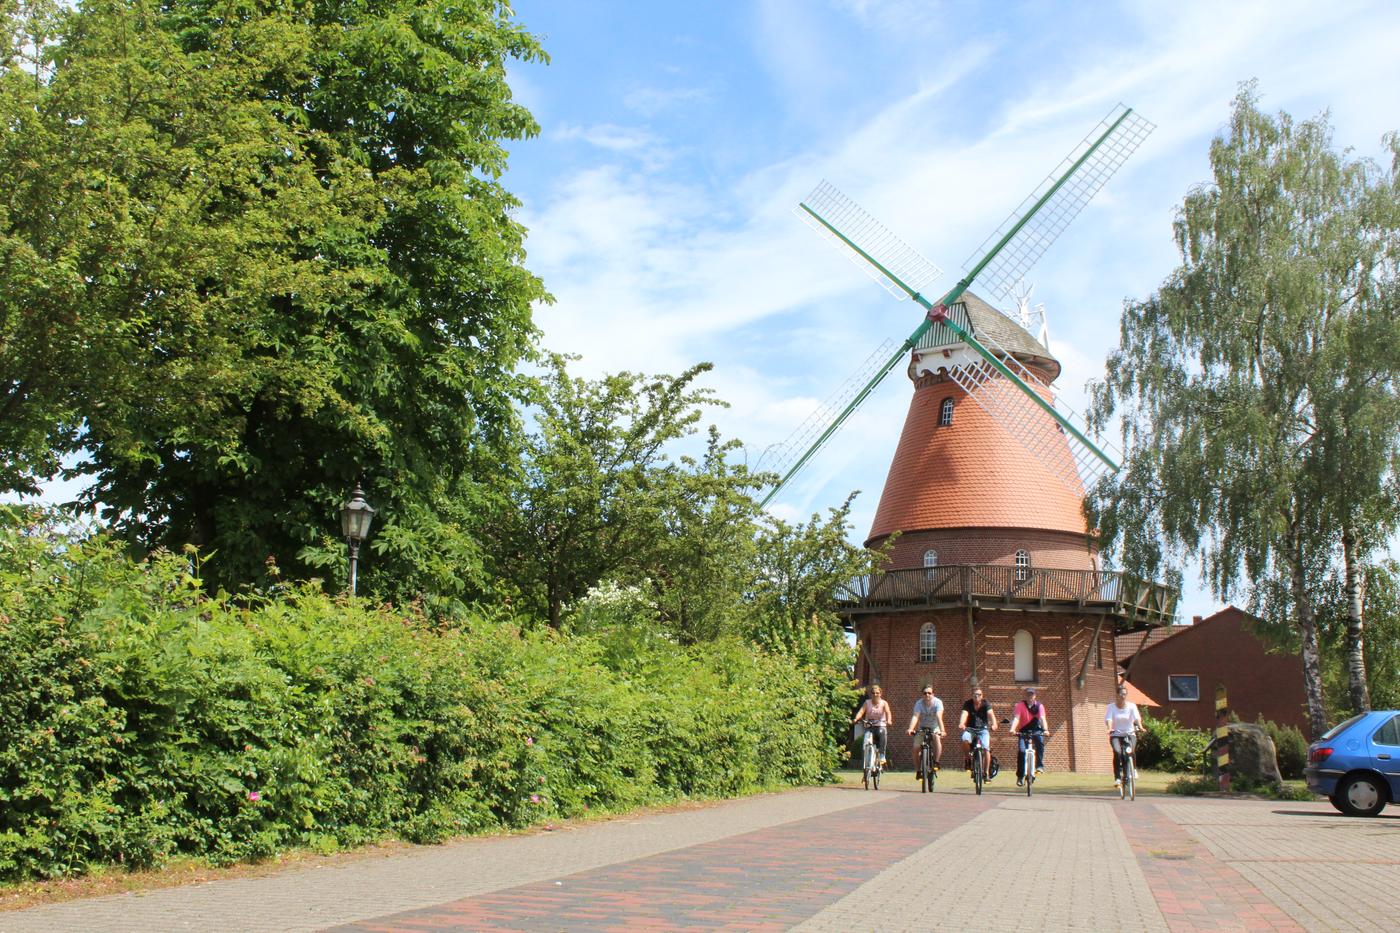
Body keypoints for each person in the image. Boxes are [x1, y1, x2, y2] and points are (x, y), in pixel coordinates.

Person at [1008, 686, 1049, 786]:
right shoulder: (1020, 705)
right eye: (1028, 694)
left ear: (1035, 696)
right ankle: (1020, 776)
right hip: (1024, 731)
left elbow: (1042, 719)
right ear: (1025, 695)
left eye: (1032, 694)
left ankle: (1039, 766)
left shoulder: (1039, 706)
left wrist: (1046, 730)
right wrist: (1012, 729)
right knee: (1022, 751)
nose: (1030, 696)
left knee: (1040, 741)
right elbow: (1017, 718)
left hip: (1036, 730)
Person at [1105, 683, 1143, 787]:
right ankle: (1117, 778)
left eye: (1125, 694)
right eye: (1121, 694)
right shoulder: (1111, 707)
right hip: (1116, 734)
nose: (1123, 696)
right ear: (1117, 695)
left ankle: (1131, 772)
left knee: (1129, 751)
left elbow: (1137, 718)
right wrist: (1109, 728)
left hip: (1129, 733)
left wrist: (1140, 726)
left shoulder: (1132, 706)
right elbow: (1109, 719)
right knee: (1118, 752)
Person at [906, 685, 945, 779]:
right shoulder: (919, 703)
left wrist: (942, 730)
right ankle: (918, 770)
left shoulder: (938, 703)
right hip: (922, 728)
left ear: (933, 694)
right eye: (925, 693)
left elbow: (939, 717)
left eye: (929, 693)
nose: (927, 695)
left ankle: (936, 762)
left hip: (934, 727)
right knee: (915, 748)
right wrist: (910, 728)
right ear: (922, 695)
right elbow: (915, 716)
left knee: (936, 737)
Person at [958, 687, 996, 779]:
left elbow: (991, 714)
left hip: (983, 729)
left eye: (978, 695)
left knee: (986, 748)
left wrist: (994, 724)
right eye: (975, 694)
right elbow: (964, 714)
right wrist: (962, 723)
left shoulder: (985, 703)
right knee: (964, 739)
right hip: (970, 729)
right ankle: (968, 759)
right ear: (972, 696)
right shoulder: (968, 704)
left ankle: (986, 773)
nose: (976, 696)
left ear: (982, 696)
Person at [852, 684, 893, 767]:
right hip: (869, 726)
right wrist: (856, 719)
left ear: (880, 694)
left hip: (880, 725)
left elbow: (888, 712)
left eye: (877, 693)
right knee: (866, 740)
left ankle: (882, 755)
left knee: (882, 733)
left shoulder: (884, 703)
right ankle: (866, 764)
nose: (875, 695)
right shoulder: (867, 703)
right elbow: (861, 712)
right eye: (873, 693)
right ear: (871, 694)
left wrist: (889, 720)